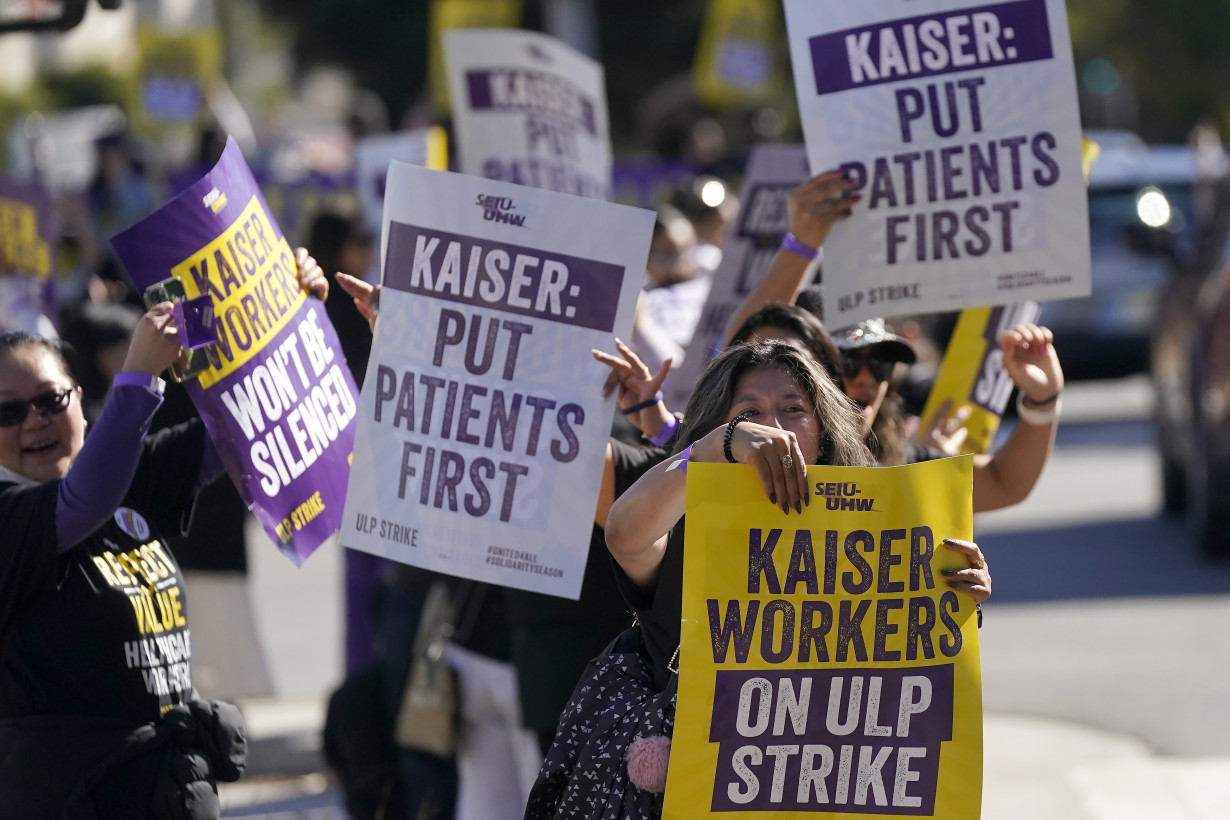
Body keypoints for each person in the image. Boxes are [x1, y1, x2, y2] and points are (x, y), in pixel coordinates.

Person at [0, 268, 327, 817]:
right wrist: (141, 376)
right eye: (8, 412)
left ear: (80, 401)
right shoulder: (14, 515)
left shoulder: (126, 477)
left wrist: (294, 318)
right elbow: (84, 502)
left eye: (52, 399)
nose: (36, 421)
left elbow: (242, 423)